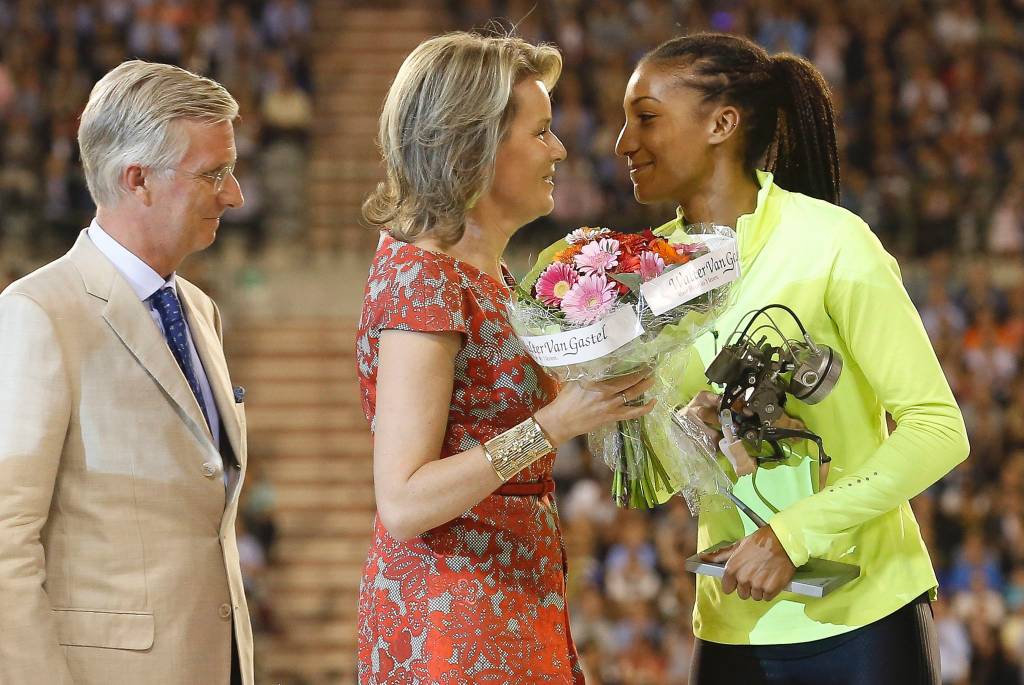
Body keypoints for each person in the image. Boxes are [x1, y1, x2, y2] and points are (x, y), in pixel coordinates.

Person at [613, 33, 969, 684]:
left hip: (867, 619)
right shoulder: (648, 275)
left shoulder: (833, 243)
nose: (623, 143)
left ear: (722, 125)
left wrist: (791, 535)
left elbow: (938, 429)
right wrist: (652, 419)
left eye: (646, 118)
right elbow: (647, 486)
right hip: (732, 624)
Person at [355, 32, 655, 683]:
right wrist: (553, 425)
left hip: (509, 596)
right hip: (453, 618)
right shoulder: (425, 277)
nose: (560, 149)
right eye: (540, 131)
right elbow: (403, 500)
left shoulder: (484, 270)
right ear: (476, 147)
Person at [0, 61, 253, 685]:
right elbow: (5, 542)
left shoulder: (199, 310)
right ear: (137, 179)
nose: (235, 195)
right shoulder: (38, 313)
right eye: (213, 173)